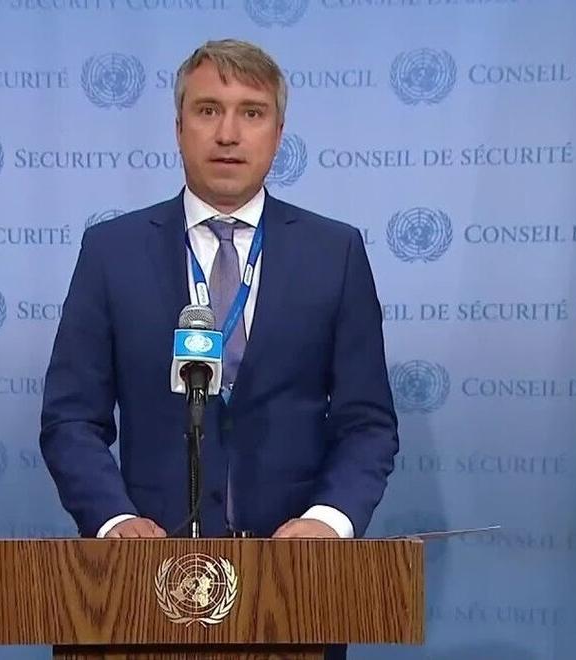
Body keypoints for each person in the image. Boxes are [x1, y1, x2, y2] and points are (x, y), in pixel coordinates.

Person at [40, 39, 398, 545]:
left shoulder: (334, 253)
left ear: (279, 134)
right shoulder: (111, 252)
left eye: (252, 113)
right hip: (152, 561)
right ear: (178, 128)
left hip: (294, 566)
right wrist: (114, 521)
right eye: (208, 110)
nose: (228, 134)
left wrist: (328, 520)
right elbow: (71, 417)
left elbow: (367, 422)